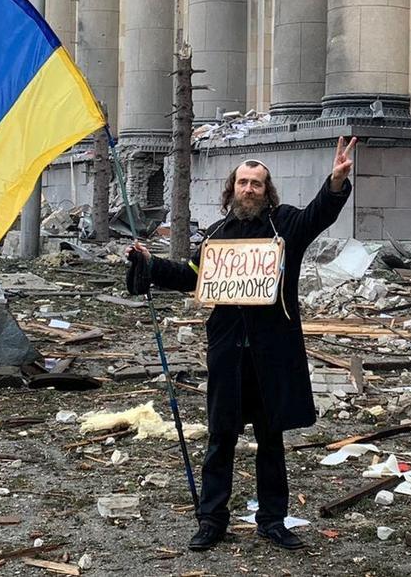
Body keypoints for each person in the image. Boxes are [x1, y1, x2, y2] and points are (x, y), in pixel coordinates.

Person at [125, 137, 357, 551]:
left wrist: (335, 182)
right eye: (243, 182)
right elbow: (191, 276)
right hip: (228, 354)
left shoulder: (284, 226)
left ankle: (272, 520)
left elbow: (318, 216)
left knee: (271, 440)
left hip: (271, 354)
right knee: (221, 438)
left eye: (257, 184)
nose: (249, 189)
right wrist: (149, 264)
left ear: (268, 192)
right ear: (231, 189)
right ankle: (211, 520)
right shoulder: (216, 235)